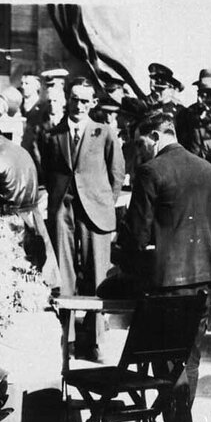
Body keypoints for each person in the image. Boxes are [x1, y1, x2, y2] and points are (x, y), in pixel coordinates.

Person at [118, 112, 211, 422]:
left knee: (165, 362)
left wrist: (125, 258)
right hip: (206, 277)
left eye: (140, 143)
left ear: (153, 135)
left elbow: (137, 236)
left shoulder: (151, 172)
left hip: (168, 281)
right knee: (190, 360)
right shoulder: (208, 170)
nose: (140, 150)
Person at [39, 80, 124, 360]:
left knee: (98, 273)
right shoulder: (52, 134)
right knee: (64, 273)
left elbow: (117, 173)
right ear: (68, 99)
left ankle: (96, 339)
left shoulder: (104, 133)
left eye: (86, 101)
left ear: (93, 104)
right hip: (63, 210)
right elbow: (48, 173)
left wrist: (104, 203)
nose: (79, 106)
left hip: (95, 211)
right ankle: (67, 339)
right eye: (75, 99)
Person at [0, 124, 59, 289]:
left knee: (8, 286)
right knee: (34, 282)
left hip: (11, 226)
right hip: (32, 220)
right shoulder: (20, 150)